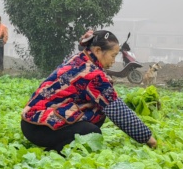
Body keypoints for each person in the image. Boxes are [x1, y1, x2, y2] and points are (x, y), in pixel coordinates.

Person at [21, 30, 158, 153]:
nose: (113, 61)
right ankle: (55, 151)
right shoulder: (93, 75)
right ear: (98, 51)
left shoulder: (80, 58)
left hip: (31, 120)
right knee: (91, 132)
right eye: (113, 55)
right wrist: (149, 138)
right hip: (38, 127)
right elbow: (119, 110)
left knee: (100, 111)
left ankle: (60, 142)